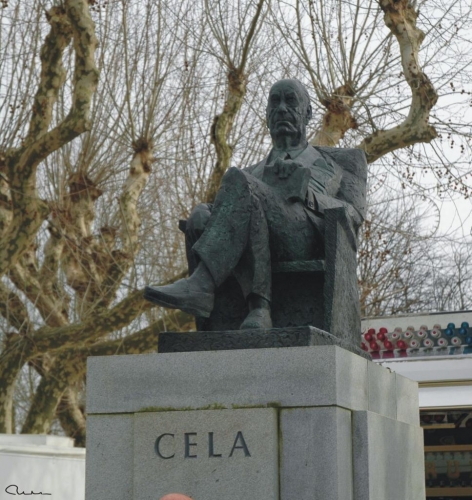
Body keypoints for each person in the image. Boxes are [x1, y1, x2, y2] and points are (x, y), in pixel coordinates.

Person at [145, 79, 363, 329]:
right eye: (275, 102)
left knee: (238, 181)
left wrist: (306, 193)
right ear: (267, 115)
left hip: (304, 240)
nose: (282, 108)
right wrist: (208, 212)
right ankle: (252, 310)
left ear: (308, 113)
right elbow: (231, 215)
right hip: (255, 236)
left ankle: (202, 285)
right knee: (204, 213)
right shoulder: (248, 175)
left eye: (290, 101)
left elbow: (353, 215)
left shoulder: (341, 164)